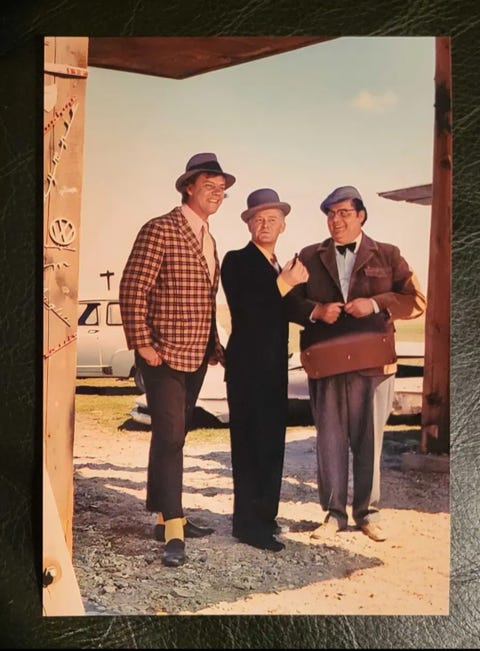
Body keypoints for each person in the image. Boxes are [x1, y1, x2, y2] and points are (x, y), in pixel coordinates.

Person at [284, 185, 426, 542]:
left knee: (369, 441)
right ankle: (333, 515)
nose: (337, 220)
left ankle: (368, 514)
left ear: (361, 216)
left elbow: (416, 300)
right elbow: (286, 301)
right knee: (329, 440)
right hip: (326, 364)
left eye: (345, 213)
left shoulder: (389, 254)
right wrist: (316, 310)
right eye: (331, 214)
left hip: (374, 365)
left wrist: (375, 304)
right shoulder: (308, 256)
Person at [119, 152, 235, 567]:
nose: (217, 193)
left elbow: (205, 299)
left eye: (222, 188)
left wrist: (213, 346)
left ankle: (162, 514)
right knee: (170, 437)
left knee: (173, 436)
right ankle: (173, 527)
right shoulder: (160, 229)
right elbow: (133, 289)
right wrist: (143, 345)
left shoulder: (210, 238)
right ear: (188, 187)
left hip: (197, 354)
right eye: (209, 185)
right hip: (163, 354)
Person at [221, 188, 309, 551]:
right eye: (258, 219)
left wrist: (322, 312)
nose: (265, 225)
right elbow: (250, 310)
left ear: (283, 225)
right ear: (248, 225)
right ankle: (247, 526)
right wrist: (287, 283)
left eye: (272, 219)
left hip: (274, 371)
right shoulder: (236, 261)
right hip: (246, 372)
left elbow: (288, 309)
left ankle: (265, 518)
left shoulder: (278, 266)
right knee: (249, 447)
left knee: (272, 445)